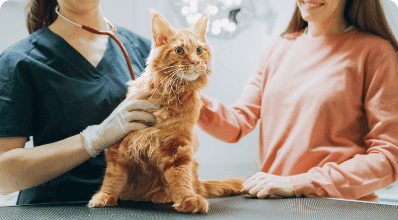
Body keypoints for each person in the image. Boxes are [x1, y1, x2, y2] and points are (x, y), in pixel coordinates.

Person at [197, 0, 398, 202]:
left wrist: (299, 184)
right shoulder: (276, 49)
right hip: (275, 207)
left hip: (339, 209)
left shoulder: (376, 53)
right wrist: (188, 99)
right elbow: (237, 123)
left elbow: (389, 158)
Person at [0, 0, 160, 205]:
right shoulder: (19, 61)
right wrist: (94, 138)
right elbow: (4, 177)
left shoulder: (147, 51)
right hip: (55, 209)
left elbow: (185, 139)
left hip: (136, 207)